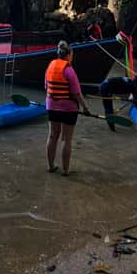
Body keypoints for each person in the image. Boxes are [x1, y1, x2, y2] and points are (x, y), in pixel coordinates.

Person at [44, 40, 91, 176]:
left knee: (52, 136)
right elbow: (77, 94)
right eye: (72, 55)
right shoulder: (69, 70)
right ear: (68, 55)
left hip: (51, 107)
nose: (72, 57)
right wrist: (86, 108)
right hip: (68, 109)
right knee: (66, 139)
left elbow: (47, 87)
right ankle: (65, 170)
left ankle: (51, 166)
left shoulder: (50, 67)